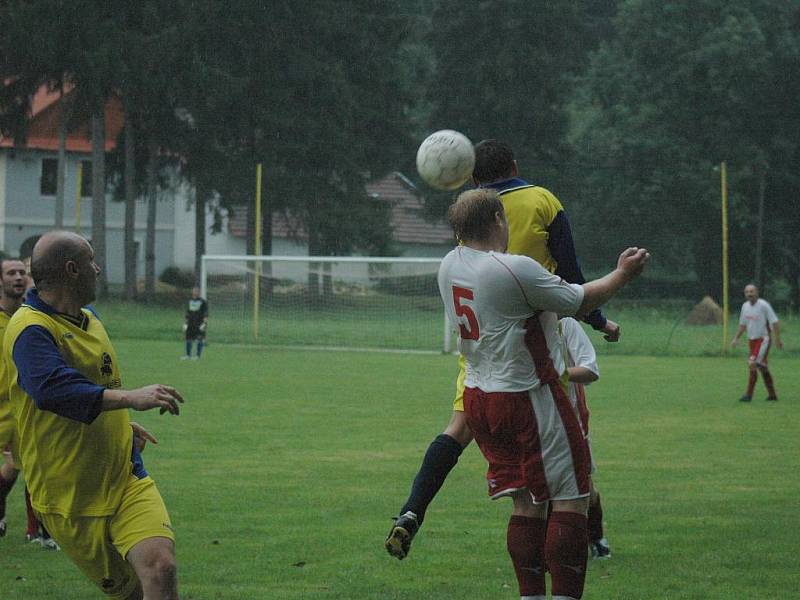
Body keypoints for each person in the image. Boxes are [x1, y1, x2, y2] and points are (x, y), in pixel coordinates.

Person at [386, 139, 619, 560]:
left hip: (479, 353)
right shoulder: (541, 199)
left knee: (459, 431)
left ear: (473, 177)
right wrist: (601, 321)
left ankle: (412, 509)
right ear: (515, 164)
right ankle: (587, 544)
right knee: (571, 471)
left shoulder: (466, 215)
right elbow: (571, 278)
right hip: (538, 348)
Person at [435, 190, 648, 599]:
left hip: (480, 398)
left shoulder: (449, 265)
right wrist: (622, 274)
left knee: (528, 502)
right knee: (572, 499)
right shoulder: (513, 269)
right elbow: (582, 299)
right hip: (529, 398)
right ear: (499, 219)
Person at [5, 231, 185, 599]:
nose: (98, 269)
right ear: (72, 270)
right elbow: (52, 388)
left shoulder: (90, 318)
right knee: (134, 592)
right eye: (91, 261)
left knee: (161, 568)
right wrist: (130, 399)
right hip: (68, 498)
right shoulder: (30, 329)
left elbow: (91, 385)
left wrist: (117, 423)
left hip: (124, 475)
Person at [560, 317, 609, 559]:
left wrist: (556, 374)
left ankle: (597, 537)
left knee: (584, 489)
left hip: (571, 421)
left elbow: (590, 370)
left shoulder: (565, 324)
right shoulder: (515, 320)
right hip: (531, 421)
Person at [0, 258, 28, 538]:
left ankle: (39, 531)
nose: (18, 277)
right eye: (11, 273)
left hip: (21, 408)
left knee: (26, 466)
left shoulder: (28, 319)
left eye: (22, 273)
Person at [731, 284, 782, 401]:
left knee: (752, 363)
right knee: (762, 367)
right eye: (747, 292)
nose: (749, 294)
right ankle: (772, 395)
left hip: (763, 339)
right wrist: (736, 338)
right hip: (752, 340)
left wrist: (777, 339)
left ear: (757, 293)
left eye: (752, 291)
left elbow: (775, 322)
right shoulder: (745, 306)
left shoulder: (764, 305)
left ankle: (748, 395)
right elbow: (743, 325)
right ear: (745, 294)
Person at [182, 286, 208, 360]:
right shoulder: (189, 301)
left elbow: (206, 313)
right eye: (194, 291)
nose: (195, 292)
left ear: (199, 292)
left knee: (199, 339)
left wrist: (204, 323)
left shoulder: (203, 302)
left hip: (199, 323)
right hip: (190, 323)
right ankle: (188, 355)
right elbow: (187, 313)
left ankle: (198, 356)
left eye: (197, 291)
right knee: (188, 339)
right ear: (192, 292)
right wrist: (185, 323)